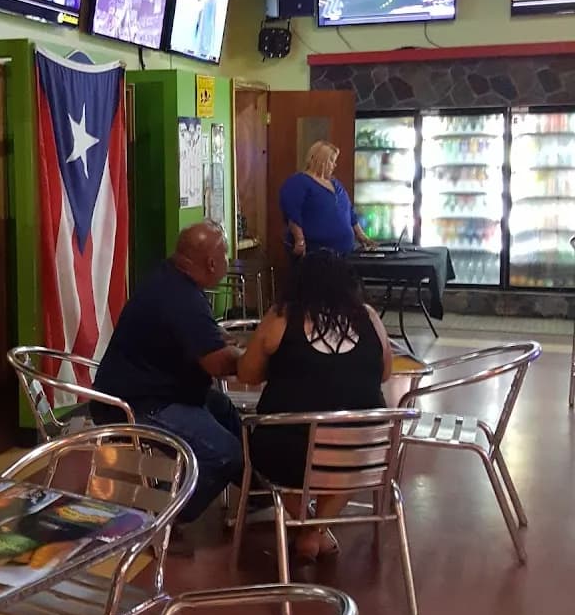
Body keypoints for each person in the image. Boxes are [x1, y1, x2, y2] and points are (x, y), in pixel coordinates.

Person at [237, 251, 391, 562]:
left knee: (277, 441)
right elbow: (385, 372)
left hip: (289, 454)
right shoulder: (369, 318)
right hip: (365, 456)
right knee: (344, 447)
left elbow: (247, 374)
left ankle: (308, 528)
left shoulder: (281, 318)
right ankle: (316, 532)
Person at [93, 222, 243, 535]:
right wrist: (255, 358)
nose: (229, 261)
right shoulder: (180, 297)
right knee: (225, 453)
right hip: (139, 404)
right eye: (226, 255)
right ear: (213, 263)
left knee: (226, 411)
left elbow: (199, 337)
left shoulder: (171, 279)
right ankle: (164, 518)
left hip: (158, 389)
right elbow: (217, 364)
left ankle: (254, 490)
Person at [280, 140, 374, 258]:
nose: (335, 165)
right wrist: (300, 240)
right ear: (321, 160)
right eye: (332, 161)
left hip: (345, 256)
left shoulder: (336, 184)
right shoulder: (299, 182)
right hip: (317, 256)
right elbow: (292, 213)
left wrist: (362, 236)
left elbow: (349, 212)